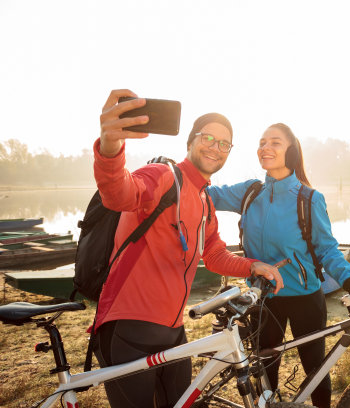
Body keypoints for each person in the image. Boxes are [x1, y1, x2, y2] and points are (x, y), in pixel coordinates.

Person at [92, 89, 284, 407]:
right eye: (209, 138)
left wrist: (253, 266)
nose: (216, 147)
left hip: (173, 330)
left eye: (225, 143)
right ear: (191, 142)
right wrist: (111, 146)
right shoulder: (163, 177)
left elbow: (214, 254)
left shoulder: (204, 200)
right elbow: (118, 193)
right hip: (130, 327)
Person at [207, 123, 350, 408]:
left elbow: (327, 250)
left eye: (275, 142)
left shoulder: (309, 199)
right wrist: (173, 174)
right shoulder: (249, 192)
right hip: (264, 300)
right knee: (265, 374)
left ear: (291, 150)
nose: (265, 147)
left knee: (316, 371)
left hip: (306, 299)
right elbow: (205, 195)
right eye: (262, 142)